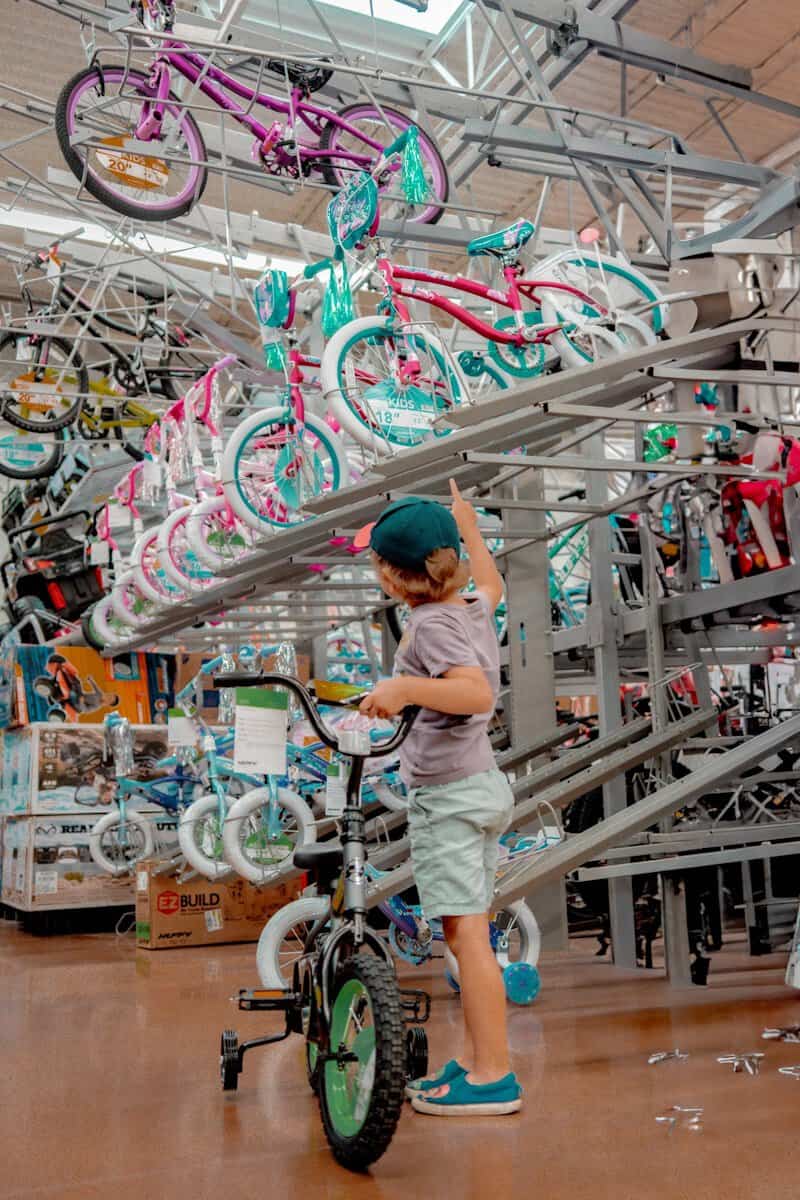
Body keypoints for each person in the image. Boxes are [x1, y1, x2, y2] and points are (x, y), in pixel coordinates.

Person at [357, 479, 521, 1118]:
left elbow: (475, 694)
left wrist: (403, 689)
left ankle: (493, 1076)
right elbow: (495, 582)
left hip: (451, 795)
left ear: (395, 581)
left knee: (467, 936)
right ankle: (483, 1061)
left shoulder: (427, 627)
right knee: (468, 933)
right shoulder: (471, 605)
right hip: (480, 783)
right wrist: (469, 523)